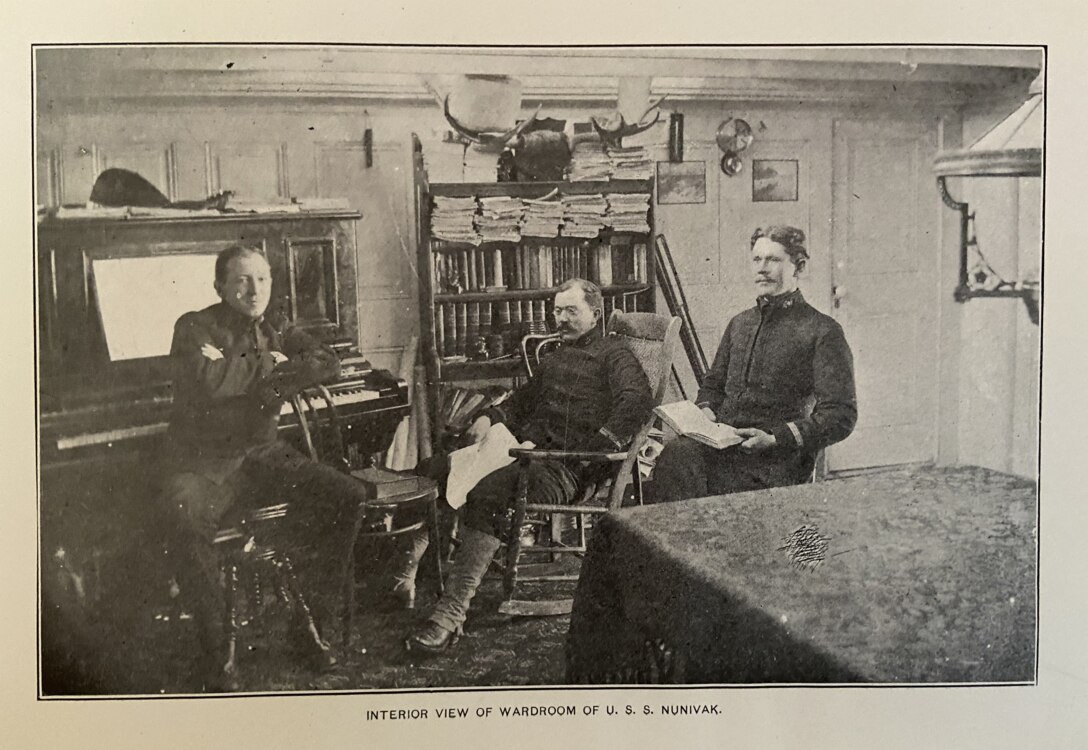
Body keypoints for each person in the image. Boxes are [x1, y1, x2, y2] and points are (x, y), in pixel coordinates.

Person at [401, 278, 654, 654]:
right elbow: (521, 403)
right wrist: (491, 416)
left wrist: (587, 452)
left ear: (595, 314)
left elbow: (635, 404)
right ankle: (402, 576)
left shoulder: (615, 355)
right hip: (526, 452)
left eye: (572, 311)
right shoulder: (556, 355)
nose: (561, 319)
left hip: (567, 467)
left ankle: (451, 614)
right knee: (431, 469)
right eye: (556, 311)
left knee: (488, 492)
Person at [160, 245, 367, 691]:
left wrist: (266, 376)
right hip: (205, 463)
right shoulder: (194, 325)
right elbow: (210, 382)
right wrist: (273, 366)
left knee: (346, 495)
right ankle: (218, 657)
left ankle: (307, 624)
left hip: (264, 454)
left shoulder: (275, 324)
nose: (255, 290)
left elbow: (326, 361)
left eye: (263, 279)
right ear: (220, 286)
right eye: (241, 280)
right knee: (184, 514)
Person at [652, 225, 857, 502]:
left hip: (775, 460)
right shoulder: (740, 324)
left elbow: (840, 415)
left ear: (799, 266)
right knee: (674, 457)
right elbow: (713, 385)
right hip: (724, 448)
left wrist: (775, 438)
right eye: (757, 259)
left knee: (707, 489)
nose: (762, 269)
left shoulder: (822, 331)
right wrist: (706, 411)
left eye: (773, 260)